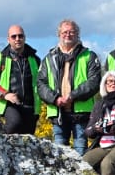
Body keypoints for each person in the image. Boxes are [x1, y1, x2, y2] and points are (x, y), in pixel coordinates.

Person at [37, 19, 101, 154]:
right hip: (58, 113)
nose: (68, 35)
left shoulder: (89, 56)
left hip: (81, 113)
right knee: (59, 153)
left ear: (78, 34)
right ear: (59, 34)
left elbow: (94, 81)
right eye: (65, 32)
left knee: (81, 152)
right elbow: (41, 84)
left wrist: (73, 96)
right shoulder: (49, 58)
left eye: (72, 32)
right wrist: (55, 98)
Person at [0, 25, 43, 135]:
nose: (17, 39)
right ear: (8, 39)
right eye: (14, 36)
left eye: (20, 36)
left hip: (30, 106)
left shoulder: (35, 59)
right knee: (14, 124)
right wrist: (5, 94)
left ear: (25, 38)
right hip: (9, 104)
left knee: (27, 139)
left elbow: (41, 83)